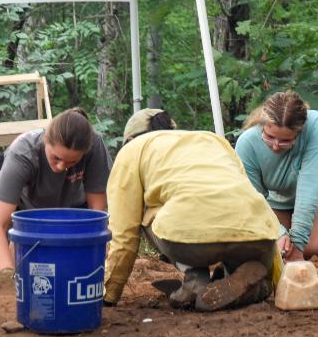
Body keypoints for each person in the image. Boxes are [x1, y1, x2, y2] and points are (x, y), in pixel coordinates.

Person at [103, 109, 284, 311]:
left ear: (129, 139)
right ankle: (249, 283)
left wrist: (109, 293)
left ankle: (195, 280)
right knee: (234, 212)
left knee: (145, 217)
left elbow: (123, 233)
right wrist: (277, 279)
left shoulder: (132, 150)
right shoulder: (212, 139)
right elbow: (246, 191)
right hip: (259, 234)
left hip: (189, 243)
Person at [0, 108, 111, 271]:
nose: (61, 167)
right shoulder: (24, 152)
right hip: (25, 212)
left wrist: (94, 260)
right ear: (46, 139)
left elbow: (97, 216)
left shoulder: (94, 145)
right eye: (56, 158)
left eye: (71, 162)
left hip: (71, 216)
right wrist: (6, 276)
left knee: (32, 265)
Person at [235, 91, 318, 260]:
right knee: (274, 249)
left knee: (311, 249)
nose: (275, 146)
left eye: (286, 141)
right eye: (270, 137)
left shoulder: (314, 124)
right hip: (278, 199)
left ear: (299, 132)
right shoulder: (247, 144)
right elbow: (253, 200)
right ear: (262, 124)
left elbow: (311, 184)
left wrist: (299, 243)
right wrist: (278, 233)